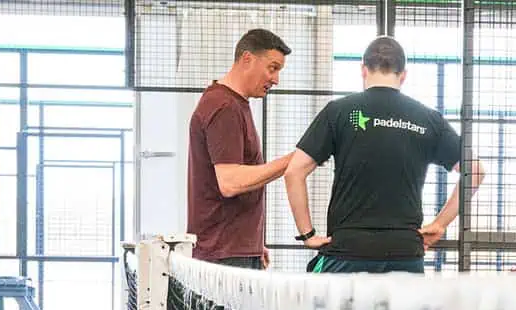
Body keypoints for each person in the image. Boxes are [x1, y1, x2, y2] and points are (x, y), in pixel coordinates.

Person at [284, 36, 485, 274]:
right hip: (405, 251)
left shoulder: (339, 111)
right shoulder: (428, 118)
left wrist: (307, 234)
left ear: (363, 70)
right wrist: (440, 224)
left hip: (349, 249)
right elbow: (475, 171)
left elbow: (294, 172)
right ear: (403, 75)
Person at [187, 28, 294, 269]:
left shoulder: (234, 104)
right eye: (272, 68)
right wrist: (294, 160)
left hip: (235, 250)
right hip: (224, 255)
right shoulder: (224, 106)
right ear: (247, 59)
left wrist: (252, 244)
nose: (275, 79)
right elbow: (230, 182)